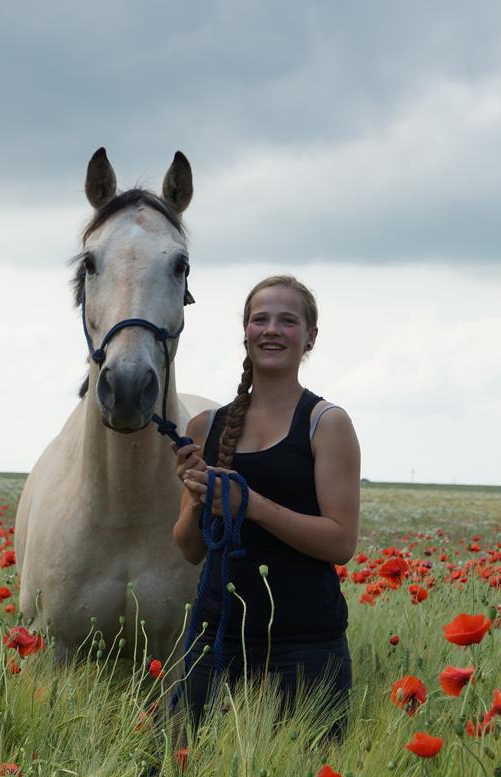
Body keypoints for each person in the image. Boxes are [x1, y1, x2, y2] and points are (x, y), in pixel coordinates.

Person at [171, 275, 361, 738]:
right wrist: (197, 501)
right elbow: (189, 549)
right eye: (260, 319)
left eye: (287, 321)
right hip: (215, 640)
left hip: (305, 647)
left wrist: (251, 505)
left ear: (310, 337)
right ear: (246, 332)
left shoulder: (326, 423)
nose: (272, 330)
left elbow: (340, 542)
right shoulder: (205, 427)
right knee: (187, 763)